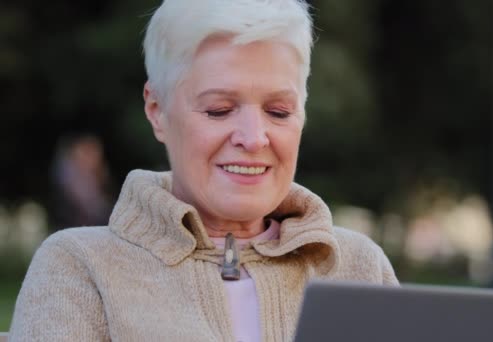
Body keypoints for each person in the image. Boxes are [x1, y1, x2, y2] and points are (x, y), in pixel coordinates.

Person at [9, 0, 398, 340]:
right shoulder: (80, 265)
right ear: (157, 110)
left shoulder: (360, 267)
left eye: (278, 112)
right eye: (219, 110)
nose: (253, 138)